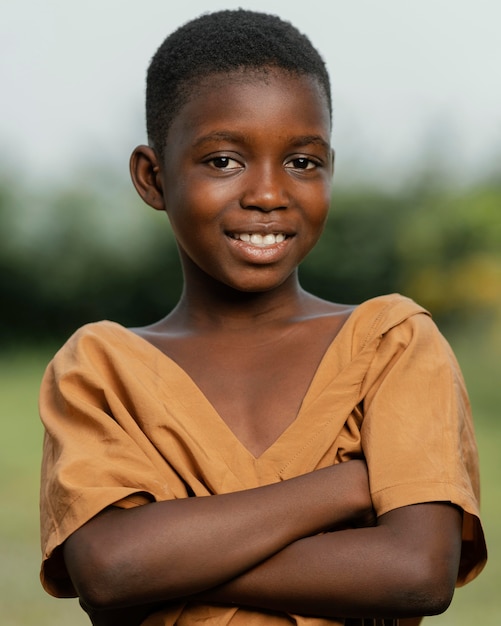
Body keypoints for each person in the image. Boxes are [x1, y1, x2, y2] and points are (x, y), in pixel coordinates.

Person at [39, 9, 486, 626]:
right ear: (153, 176)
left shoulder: (393, 343)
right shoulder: (101, 368)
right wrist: (351, 487)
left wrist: (168, 557)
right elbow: (111, 570)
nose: (269, 193)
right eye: (224, 161)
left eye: (302, 162)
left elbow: (416, 573)